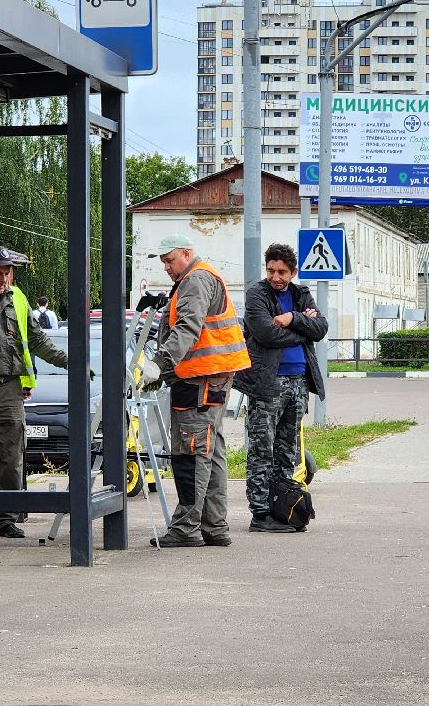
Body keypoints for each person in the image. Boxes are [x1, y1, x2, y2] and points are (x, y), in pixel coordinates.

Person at [139, 233, 251, 548]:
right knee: (209, 452)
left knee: (191, 453)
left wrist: (158, 364)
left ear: (186, 254)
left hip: (199, 380)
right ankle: (214, 527)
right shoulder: (199, 278)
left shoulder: (195, 280)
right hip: (207, 377)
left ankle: (186, 528)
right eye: (163, 262)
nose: (166, 268)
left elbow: (188, 326)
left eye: (169, 260)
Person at [0, 245, 69, 539]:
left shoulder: (18, 299)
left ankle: (6, 518)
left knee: (12, 458)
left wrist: (67, 361)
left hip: (10, 390)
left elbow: (36, 340)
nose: (3, 278)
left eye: (7, 272)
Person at [235, 243, 328, 533]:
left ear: (293, 272)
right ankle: (260, 513)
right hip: (267, 383)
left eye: (282, 272)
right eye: (271, 270)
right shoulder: (257, 295)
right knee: (262, 449)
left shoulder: (300, 294)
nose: (276, 276)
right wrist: (303, 331)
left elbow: (321, 328)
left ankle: (282, 507)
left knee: (288, 450)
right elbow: (264, 332)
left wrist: (292, 318)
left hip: (298, 382)